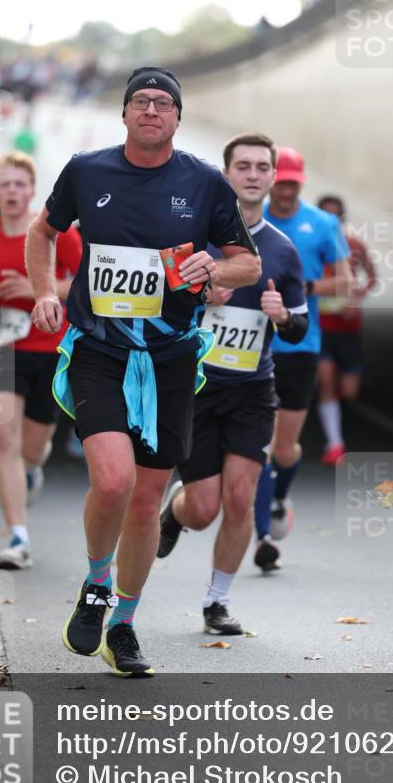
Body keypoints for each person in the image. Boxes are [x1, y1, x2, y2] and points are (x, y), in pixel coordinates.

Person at [25, 66, 261, 677]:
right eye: (141, 102)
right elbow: (42, 232)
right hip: (100, 348)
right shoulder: (87, 170)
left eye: (164, 103)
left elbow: (247, 265)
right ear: (125, 114)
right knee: (111, 481)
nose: (152, 110)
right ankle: (97, 584)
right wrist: (45, 291)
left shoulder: (206, 184)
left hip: (172, 358)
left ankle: (123, 626)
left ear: (178, 119)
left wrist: (213, 268)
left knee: (147, 498)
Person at [156, 133, 307, 633]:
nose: (253, 174)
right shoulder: (197, 239)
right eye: (242, 166)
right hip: (196, 387)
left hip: (251, 390)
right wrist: (201, 300)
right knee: (204, 509)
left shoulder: (283, 251)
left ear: (272, 177)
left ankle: (216, 602)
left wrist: (281, 314)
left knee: (241, 498)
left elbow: (300, 325)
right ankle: (175, 513)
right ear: (227, 175)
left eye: (262, 167)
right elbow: (154, 304)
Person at [0, 152, 81, 570]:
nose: (12, 191)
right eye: (5, 184)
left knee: (32, 449)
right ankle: (18, 536)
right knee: (3, 440)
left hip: (49, 350)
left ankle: (32, 471)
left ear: (32, 192)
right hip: (0, 348)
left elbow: (86, 285)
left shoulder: (55, 233)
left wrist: (38, 287)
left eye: (20, 185)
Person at [252, 147, 352, 570]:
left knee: (285, 447)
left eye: (295, 183)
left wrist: (304, 290)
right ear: (273, 180)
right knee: (261, 446)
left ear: (301, 183)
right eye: (283, 181)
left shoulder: (322, 224)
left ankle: (278, 497)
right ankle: (262, 538)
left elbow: (344, 282)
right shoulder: (253, 221)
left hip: (301, 347)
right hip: (254, 346)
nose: (288, 190)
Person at [316, 195, 376, 462]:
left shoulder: (355, 246)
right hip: (322, 328)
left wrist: (356, 296)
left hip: (349, 328)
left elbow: (372, 277)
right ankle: (335, 444)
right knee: (326, 381)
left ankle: (333, 407)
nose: (331, 221)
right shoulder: (311, 245)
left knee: (349, 391)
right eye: (325, 215)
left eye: (336, 216)